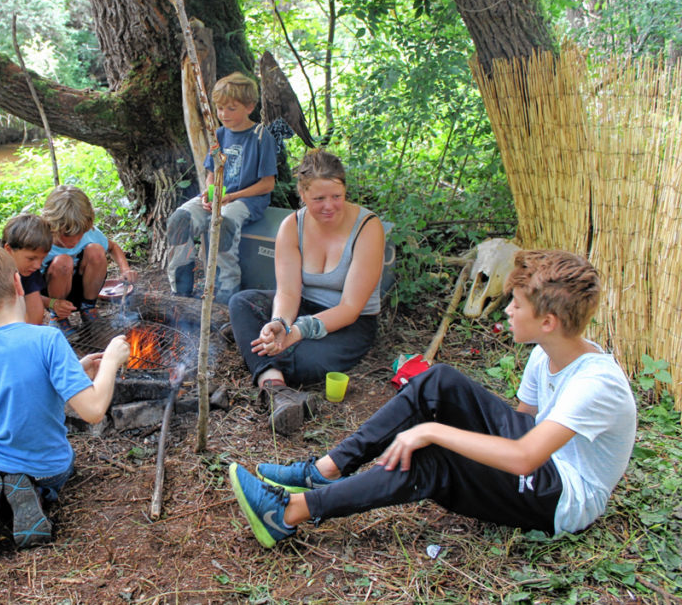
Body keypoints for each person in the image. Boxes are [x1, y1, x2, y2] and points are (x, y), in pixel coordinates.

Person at [228, 250, 637, 548]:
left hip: (562, 497)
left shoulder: (595, 384)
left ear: (547, 322)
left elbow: (524, 457)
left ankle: (287, 513)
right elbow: (519, 424)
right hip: (538, 460)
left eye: (516, 305)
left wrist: (435, 432)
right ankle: (325, 469)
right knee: (437, 379)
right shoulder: (546, 353)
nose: (507, 311)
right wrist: (455, 436)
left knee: (432, 458)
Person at [0, 243, 130, 552]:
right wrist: (111, 361)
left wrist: (78, 369)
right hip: (48, 466)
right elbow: (94, 411)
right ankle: (36, 495)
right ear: (18, 283)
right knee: (61, 465)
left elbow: (22, 386)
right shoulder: (48, 338)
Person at [227, 150, 384, 435]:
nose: (329, 206)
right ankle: (276, 388)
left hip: (349, 323)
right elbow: (288, 292)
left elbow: (350, 307)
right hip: (302, 308)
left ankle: (259, 357)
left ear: (345, 189)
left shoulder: (368, 228)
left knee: (301, 360)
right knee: (241, 302)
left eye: (336, 196)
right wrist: (280, 323)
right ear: (302, 193)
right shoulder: (292, 226)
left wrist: (297, 332)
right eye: (319, 199)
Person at [166, 71, 277, 304]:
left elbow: (267, 184)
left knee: (222, 222)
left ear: (249, 107)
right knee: (179, 219)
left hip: (247, 200)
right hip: (222, 196)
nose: (223, 114)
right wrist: (210, 193)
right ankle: (181, 290)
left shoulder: (260, 136)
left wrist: (231, 196)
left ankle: (226, 289)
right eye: (219, 109)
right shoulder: (218, 134)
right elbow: (210, 174)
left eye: (231, 108)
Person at [40, 184, 136, 334]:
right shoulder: (40, 241)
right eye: (66, 235)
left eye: (80, 233)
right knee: (63, 261)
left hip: (82, 288)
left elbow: (113, 247)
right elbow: (27, 288)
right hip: (53, 293)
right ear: (51, 224)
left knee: (96, 250)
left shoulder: (88, 232)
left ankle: (88, 308)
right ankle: (58, 318)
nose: (74, 240)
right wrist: (52, 303)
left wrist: (125, 269)